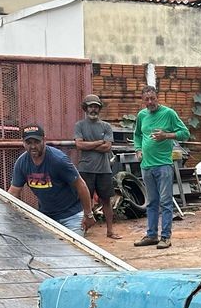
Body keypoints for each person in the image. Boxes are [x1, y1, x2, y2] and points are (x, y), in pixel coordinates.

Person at [8, 125, 95, 236]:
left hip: (71, 215)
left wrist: (88, 214)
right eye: (29, 143)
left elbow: (80, 185)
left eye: (37, 142)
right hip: (46, 216)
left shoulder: (58, 160)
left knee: (73, 251)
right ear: (23, 143)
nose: (33, 146)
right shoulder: (22, 163)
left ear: (44, 140)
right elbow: (13, 192)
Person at [132, 84, 190, 250]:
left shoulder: (168, 113)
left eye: (153, 98)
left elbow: (185, 133)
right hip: (146, 166)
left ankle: (165, 237)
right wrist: (137, 149)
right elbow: (136, 135)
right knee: (151, 202)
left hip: (163, 165)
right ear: (143, 101)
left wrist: (166, 135)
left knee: (165, 202)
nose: (150, 102)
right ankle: (151, 235)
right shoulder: (142, 115)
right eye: (147, 100)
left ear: (157, 97)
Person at [72, 93, 120, 240]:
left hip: (104, 169)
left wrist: (89, 144)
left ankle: (110, 231)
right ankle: (83, 231)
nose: (93, 109)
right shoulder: (79, 125)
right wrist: (98, 142)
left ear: (99, 109)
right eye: (91, 106)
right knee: (84, 201)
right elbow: (79, 145)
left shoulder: (106, 126)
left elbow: (107, 147)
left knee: (106, 200)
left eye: (96, 107)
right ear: (85, 108)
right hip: (85, 169)